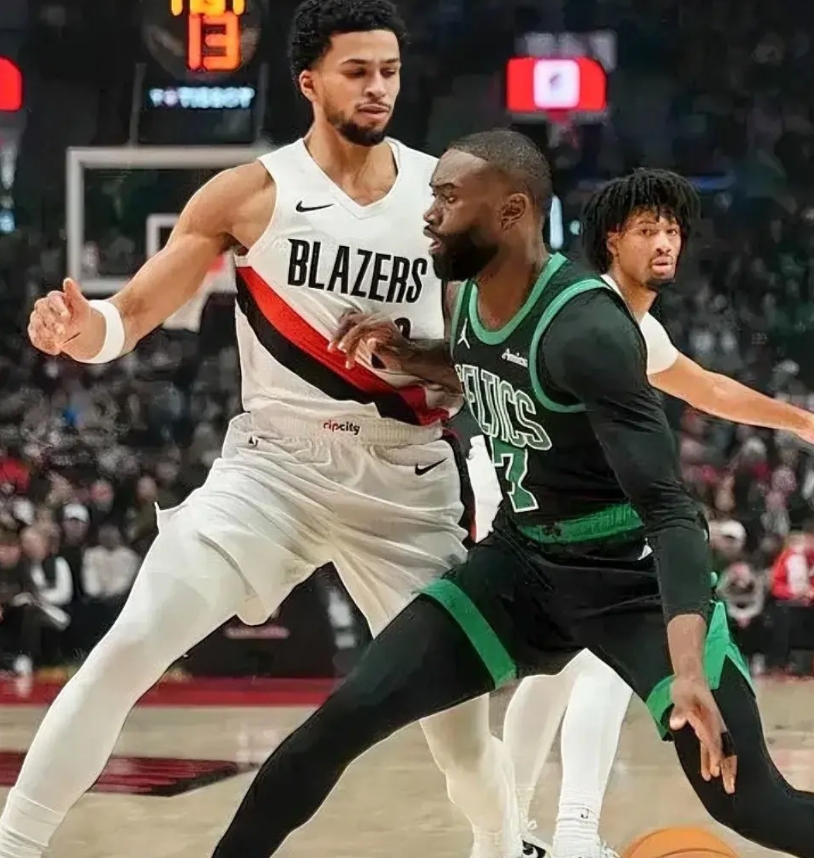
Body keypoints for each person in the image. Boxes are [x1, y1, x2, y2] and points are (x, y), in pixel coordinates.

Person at [0, 8, 530, 858]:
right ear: (309, 81)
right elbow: (129, 315)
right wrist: (79, 330)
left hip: (405, 484)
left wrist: (408, 355)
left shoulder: (448, 198)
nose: (378, 87)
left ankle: (505, 844)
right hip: (274, 472)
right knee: (128, 646)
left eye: (389, 70)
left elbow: (494, 360)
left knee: (460, 741)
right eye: (357, 71)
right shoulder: (249, 193)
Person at [206, 130, 814, 858]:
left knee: (748, 801)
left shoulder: (589, 328)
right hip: (521, 567)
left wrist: (687, 669)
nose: (429, 213)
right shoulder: (469, 295)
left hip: (629, 580)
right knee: (342, 718)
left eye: (448, 198)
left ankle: (578, 819)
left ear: (511, 213)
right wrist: (408, 354)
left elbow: (670, 509)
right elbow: (481, 361)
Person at [503, 168, 814, 858]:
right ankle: (560, 830)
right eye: (649, 229)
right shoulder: (595, 316)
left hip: (547, 509)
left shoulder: (627, 321)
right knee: (594, 666)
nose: (666, 241)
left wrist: (799, 421)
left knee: (556, 673)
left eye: (672, 229)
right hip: (553, 512)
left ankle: (503, 833)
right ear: (613, 239)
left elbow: (706, 387)